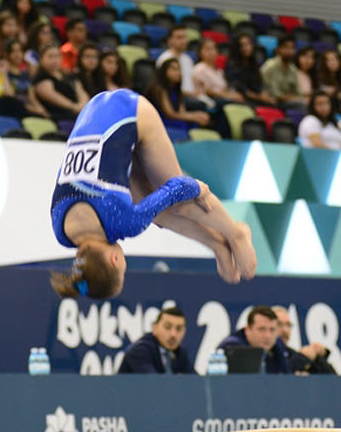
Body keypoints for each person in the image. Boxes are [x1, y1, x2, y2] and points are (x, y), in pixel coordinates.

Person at [49, 89, 256, 298]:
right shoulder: (62, 231)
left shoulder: (122, 221)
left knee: (176, 205)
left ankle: (235, 232)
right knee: (153, 211)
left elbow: (178, 187)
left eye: (122, 273)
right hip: (92, 109)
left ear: (115, 261)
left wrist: (197, 188)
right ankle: (217, 246)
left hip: (130, 110)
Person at [117, 305, 192, 374]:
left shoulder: (180, 353)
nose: (173, 334)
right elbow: (153, 384)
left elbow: (198, 383)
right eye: (167, 327)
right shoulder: (139, 351)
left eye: (179, 329)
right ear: (154, 328)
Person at [219, 305, 293, 374]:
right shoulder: (232, 347)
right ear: (247, 330)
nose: (268, 336)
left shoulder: (277, 344)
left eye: (272, 330)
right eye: (262, 329)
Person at [32, 44, 89, 121]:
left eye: (57, 56)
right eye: (50, 56)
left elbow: (81, 91)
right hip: (59, 117)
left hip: (79, 113)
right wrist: (74, 107)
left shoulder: (69, 76)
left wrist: (83, 106)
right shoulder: (41, 78)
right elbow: (50, 95)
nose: (55, 60)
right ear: (41, 59)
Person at [273, 305, 335, 374]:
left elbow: (334, 379)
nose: (285, 330)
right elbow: (280, 374)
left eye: (288, 325)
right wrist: (302, 357)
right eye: (279, 324)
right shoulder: (265, 356)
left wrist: (318, 357)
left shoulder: (291, 354)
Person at [149, 58, 210, 127]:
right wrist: (194, 116)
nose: (178, 73)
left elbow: (182, 112)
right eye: (174, 69)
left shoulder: (176, 89)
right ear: (164, 71)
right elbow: (170, 114)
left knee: (194, 123)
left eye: (179, 69)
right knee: (182, 124)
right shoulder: (159, 89)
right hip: (160, 121)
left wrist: (198, 115)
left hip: (174, 118)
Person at [262, 35, 303, 108]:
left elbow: (298, 93)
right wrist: (295, 98)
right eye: (286, 47)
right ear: (278, 49)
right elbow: (276, 95)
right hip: (272, 103)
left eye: (292, 48)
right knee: (302, 105)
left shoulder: (293, 69)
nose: (289, 51)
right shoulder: (271, 66)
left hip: (290, 102)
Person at [156, 27, 195, 94]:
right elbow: (164, 87)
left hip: (192, 95)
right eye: (179, 37)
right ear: (169, 40)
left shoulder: (188, 59)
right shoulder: (164, 59)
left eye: (184, 37)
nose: (183, 41)